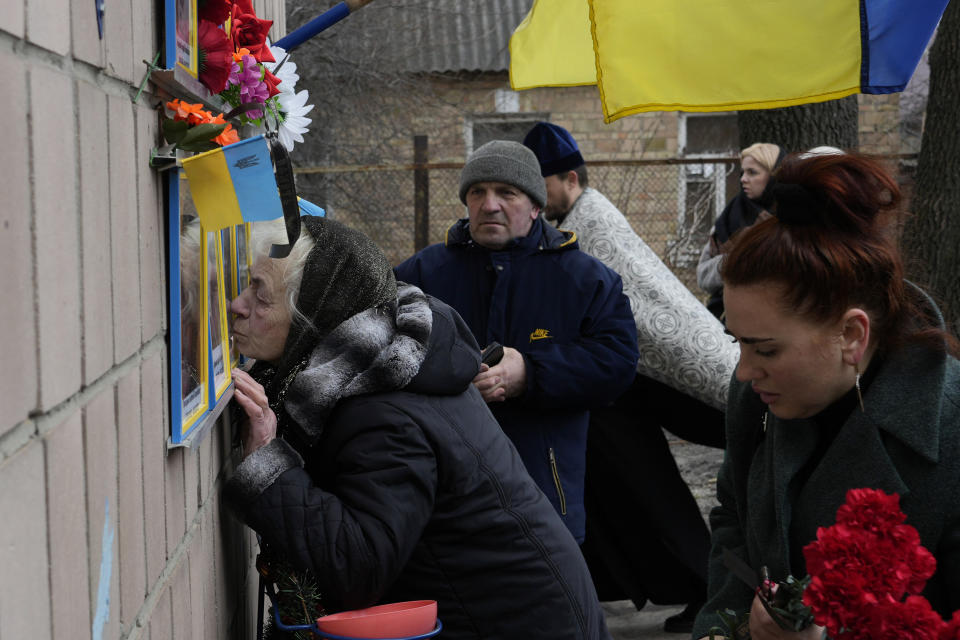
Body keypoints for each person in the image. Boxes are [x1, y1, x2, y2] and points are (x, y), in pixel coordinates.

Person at [223, 215, 613, 640]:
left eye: (261, 296)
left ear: (313, 317)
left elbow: (357, 564)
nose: (237, 305)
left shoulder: (381, 412)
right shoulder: (380, 363)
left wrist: (267, 463)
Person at [691, 153, 960, 639]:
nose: (745, 370)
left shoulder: (952, 435)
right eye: (738, 341)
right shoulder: (755, 396)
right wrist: (721, 629)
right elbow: (734, 520)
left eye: (766, 349)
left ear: (852, 336)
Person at [523, 121, 737, 633]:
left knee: (649, 487)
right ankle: (695, 585)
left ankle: (706, 587)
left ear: (569, 179)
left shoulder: (590, 222)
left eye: (539, 185)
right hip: (621, 384)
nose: (533, 198)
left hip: (641, 379)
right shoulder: (576, 219)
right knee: (638, 485)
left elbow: (644, 309)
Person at [394, 140, 639, 545]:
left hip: (545, 493)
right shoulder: (422, 274)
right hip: (442, 494)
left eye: (506, 193)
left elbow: (617, 363)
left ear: (536, 205)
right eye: (477, 192)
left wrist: (530, 371)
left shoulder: (586, 280)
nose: (489, 205)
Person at [697, 142, 784, 320]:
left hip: (776, 318)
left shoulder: (790, 220)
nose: (743, 178)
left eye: (752, 172)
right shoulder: (729, 218)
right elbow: (703, 276)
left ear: (774, 176)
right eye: (743, 172)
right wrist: (731, 262)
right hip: (724, 317)